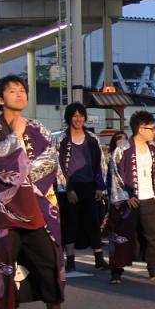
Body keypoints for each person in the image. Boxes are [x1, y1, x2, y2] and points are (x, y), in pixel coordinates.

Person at [0, 74, 85, 309]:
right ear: (0, 99)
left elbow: (50, 160)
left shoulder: (38, 127)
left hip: (35, 202)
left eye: (22, 90)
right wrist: (14, 137)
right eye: (12, 91)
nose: (19, 94)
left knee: (49, 256)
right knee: (6, 260)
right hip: (4, 208)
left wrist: (26, 181)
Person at [108, 111, 155, 284]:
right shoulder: (122, 149)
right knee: (122, 235)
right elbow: (114, 175)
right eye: (151, 128)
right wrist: (124, 196)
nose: (153, 132)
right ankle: (116, 271)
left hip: (150, 198)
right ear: (140, 128)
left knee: (153, 235)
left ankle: (154, 269)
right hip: (130, 200)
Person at [55, 102, 108, 272]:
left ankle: (99, 259)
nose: (78, 119)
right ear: (69, 118)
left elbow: (100, 164)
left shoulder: (93, 139)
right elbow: (57, 166)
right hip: (70, 187)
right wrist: (67, 189)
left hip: (90, 185)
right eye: (74, 115)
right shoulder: (62, 139)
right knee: (70, 224)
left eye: (81, 115)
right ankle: (70, 260)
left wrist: (100, 186)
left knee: (93, 223)